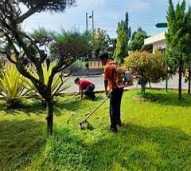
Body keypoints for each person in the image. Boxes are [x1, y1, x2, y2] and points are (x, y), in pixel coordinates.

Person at [99, 52, 124, 133]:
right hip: (120, 88)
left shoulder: (107, 67)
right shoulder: (115, 63)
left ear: (104, 59)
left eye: (101, 61)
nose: (101, 63)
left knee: (112, 108)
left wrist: (106, 91)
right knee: (117, 106)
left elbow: (105, 80)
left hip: (114, 89)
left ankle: (113, 127)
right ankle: (118, 122)